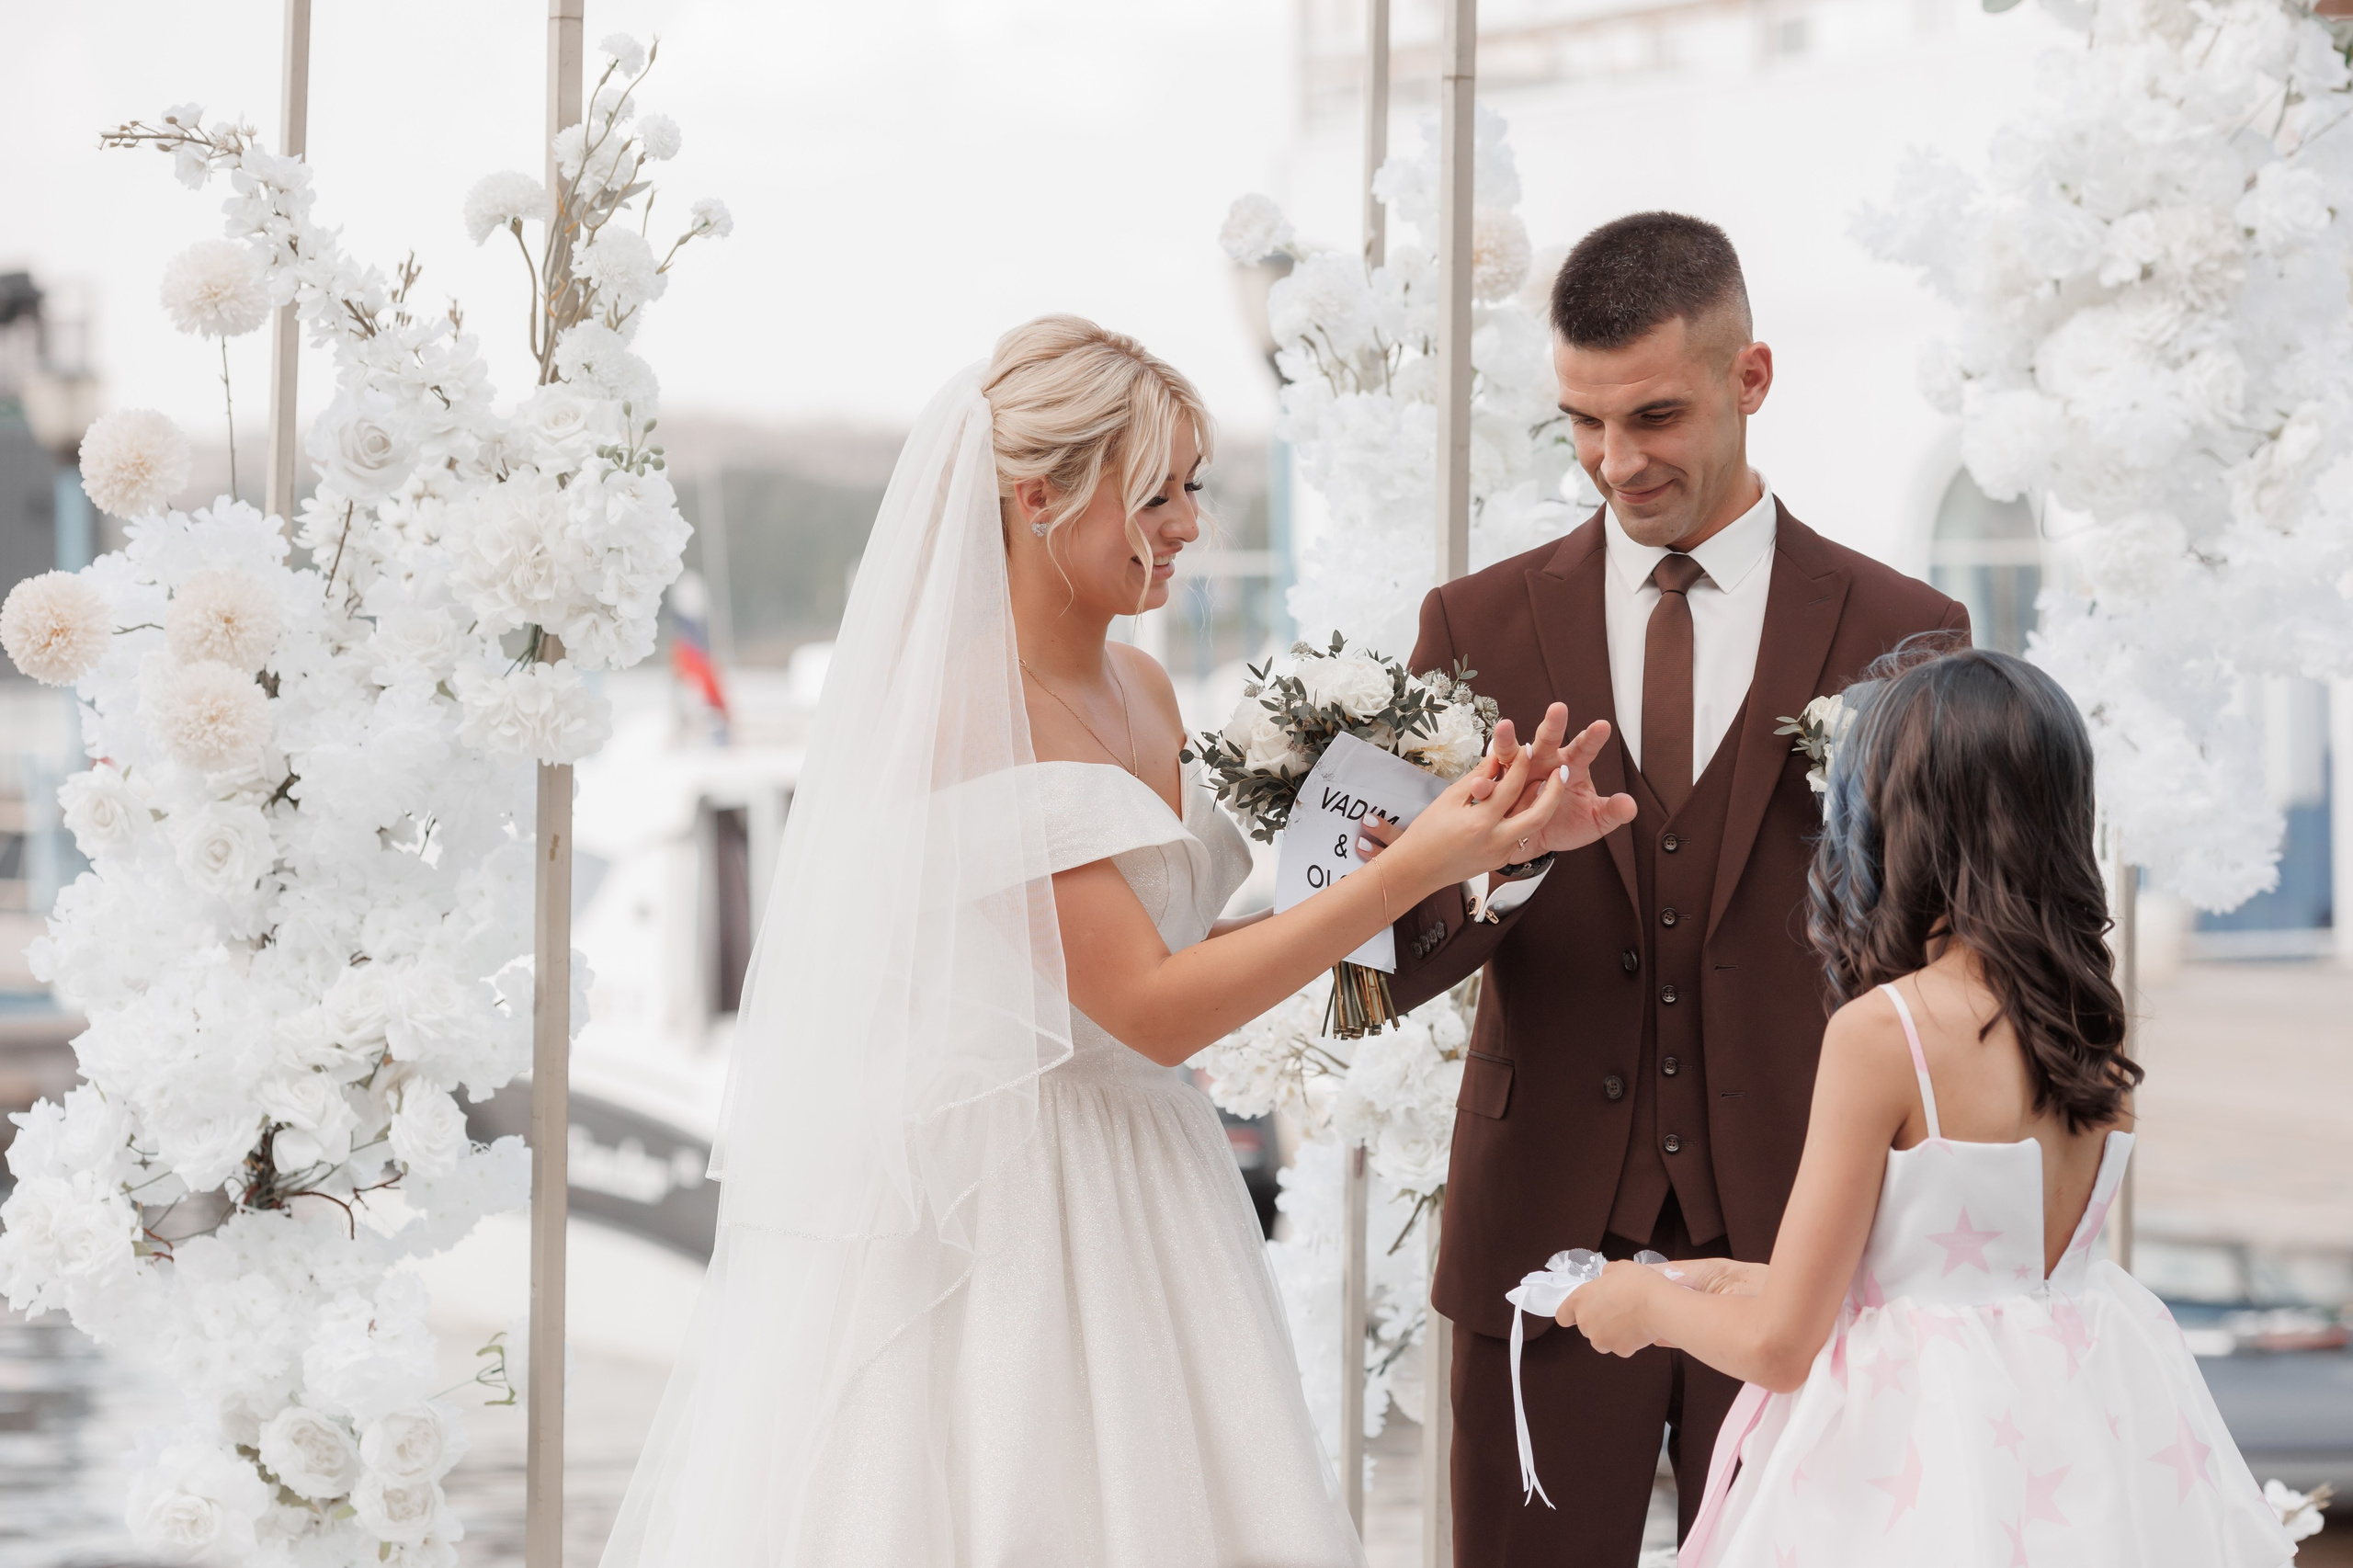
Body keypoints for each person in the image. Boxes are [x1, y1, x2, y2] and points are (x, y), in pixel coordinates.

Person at [596, 315, 1634, 1568]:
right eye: (1156, 494)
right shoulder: (963, 715)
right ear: (1037, 496)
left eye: (1193, 486)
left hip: (1151, 1169)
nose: (1190, 522)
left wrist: (1480, 851)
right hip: (1023, 1200)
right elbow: (1152, 1005)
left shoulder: (1142, 688)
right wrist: (1406, 869)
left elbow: (1196, 947)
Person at [1359, 210, 1971, 1565]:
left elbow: (1946, 956)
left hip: (1809, 1247)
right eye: (1580, 421)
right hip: (1543, 1241)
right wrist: (1489, 864)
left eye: (1653, 416)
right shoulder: (1472, 626)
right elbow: (1370, 968)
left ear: (1750, 377)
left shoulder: (1907, 632)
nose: (1614, 461)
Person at [1556, 647, 2296, 1568]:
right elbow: (1969, 1277)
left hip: (1917, 1457)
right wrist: (1731, 1278)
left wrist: (1642, 1303)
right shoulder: (2087, 1025)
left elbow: (1782, 1347)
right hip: (2084, 1435)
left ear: (1897, 821)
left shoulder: (1888, 1031)